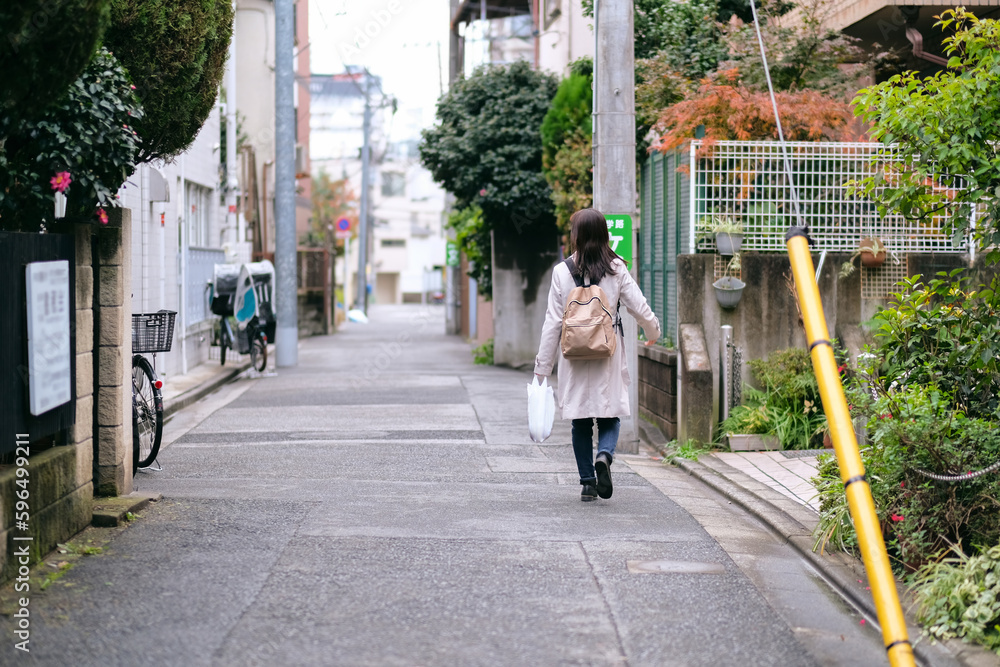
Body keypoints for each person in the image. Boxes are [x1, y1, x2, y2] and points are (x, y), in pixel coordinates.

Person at [534, 208, 661, 502]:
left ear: (576, 235)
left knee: (580, 419)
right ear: (604, 234)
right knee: (609, 413)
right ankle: (604, 454)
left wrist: (542, 367)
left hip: (573, 354)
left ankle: (588, 483)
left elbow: (553, 321)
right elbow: (639, 307)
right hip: (608, 351)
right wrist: (652, 332)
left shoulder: (561, 271)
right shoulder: (616, 268)